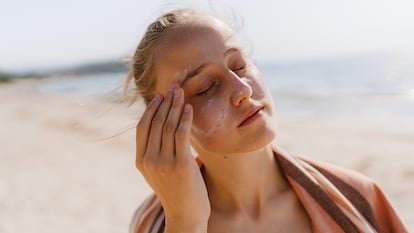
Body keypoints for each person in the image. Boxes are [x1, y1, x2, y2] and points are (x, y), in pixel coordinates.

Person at [124, 8, 408, 233]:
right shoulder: (156, 225)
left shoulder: (356, 197)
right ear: (161, 121)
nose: (243, 89)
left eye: (239, 65)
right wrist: (186, 223)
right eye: (205, 87)